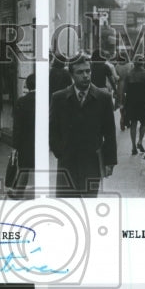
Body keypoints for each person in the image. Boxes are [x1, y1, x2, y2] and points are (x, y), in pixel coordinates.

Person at [49, 53, 117, 198]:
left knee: (88, 206)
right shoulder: (59, 98)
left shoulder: (103, 98)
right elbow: (53, 129)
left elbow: (110, 133)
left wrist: (109, 161)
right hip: (67, 163)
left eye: (88, 71)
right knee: (66, 206)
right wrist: (59, 151)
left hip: (91, 163)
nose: (85, 75)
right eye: (80, 72)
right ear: (72, 75)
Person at [122, 61, 145, 155]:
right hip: (142, 100)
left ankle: (133, 146)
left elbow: (124, 90)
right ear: (142, 64)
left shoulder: (129, 74)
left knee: (133, 123)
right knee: (144, 122)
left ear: (134, 64)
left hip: (131, 100)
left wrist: (123, 103)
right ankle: (140, 141)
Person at [10, 72, 36, 198]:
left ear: (27, 85)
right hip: (40, 139)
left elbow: (17, 126)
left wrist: (15, 146)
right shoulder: (46, 99)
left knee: (24, 167)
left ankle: (19, 191)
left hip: (26, 140)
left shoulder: (22, 101)